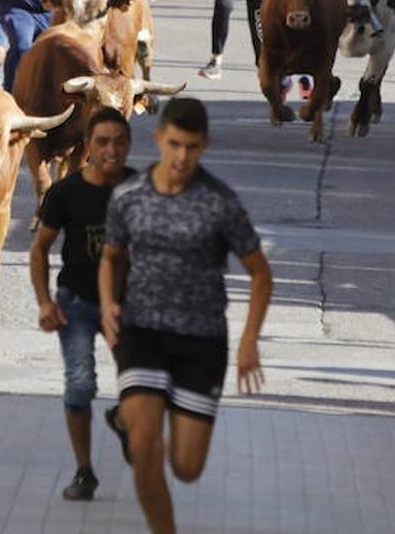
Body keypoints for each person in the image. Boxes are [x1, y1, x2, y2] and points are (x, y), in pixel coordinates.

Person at [99, 98, 272, 534]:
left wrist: (250, 340)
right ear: (158, 139)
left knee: (186, 467)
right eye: (174, 144)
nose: (181, 157)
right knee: (145, 447)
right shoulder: (129, 197)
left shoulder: (220, 203)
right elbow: (112, 257)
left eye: (192, 147)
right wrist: (108, 303)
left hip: (201, 339)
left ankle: (129, 419)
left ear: (204, 145)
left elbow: (260, 273)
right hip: (143, 332)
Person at [29, 107, 136, 503]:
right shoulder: (66, 192)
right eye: (102, 142)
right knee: (80, 384)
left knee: (139, 387)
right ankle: (85, 471)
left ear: (129, 145)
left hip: (127, 307)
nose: (111, 150)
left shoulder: (141, 189)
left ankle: (125, 420)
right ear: (88, 146)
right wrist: (43, 302)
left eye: (119, 142)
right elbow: (40, 249)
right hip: (75, 303)